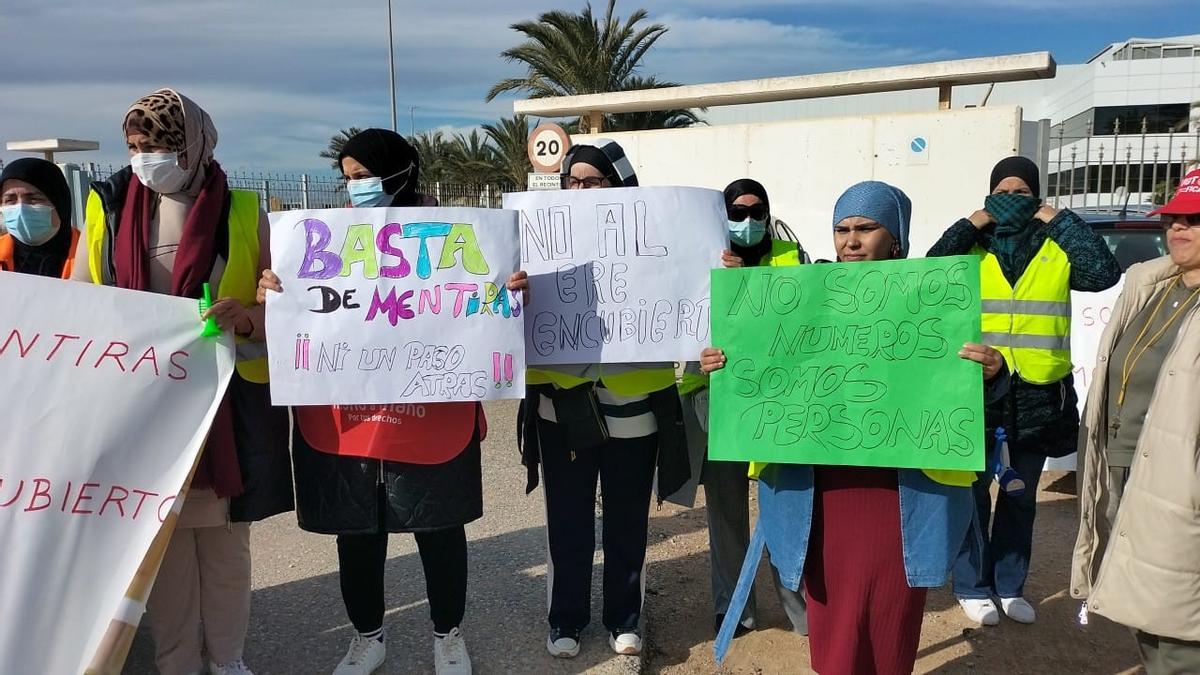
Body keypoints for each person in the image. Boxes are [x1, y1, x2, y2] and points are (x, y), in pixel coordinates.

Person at [707, 180, 1010, 674]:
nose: (850, 240)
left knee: (891, 622)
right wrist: (727, 363)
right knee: (833, 623)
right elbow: (766, 369)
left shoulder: (938, 301)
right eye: (841, 229)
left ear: (896, 238)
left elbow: (969, 404)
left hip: (904, 494)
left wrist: (993, 374)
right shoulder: (803, 298)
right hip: (820, 492)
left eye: (866, 228)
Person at [257, 128, 528, 675]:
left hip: (432, 417)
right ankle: (367, 636)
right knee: (357, 533)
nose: (355, 187)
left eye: (365, 176)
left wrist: (508, 290)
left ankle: (448, 634)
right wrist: (274, 293)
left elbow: (476, 304)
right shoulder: (323, 243)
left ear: (402, 172)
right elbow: (304, 314)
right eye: (348, 179)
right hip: (346, 419)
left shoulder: (458, 240)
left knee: (439, 528)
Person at [69, 88, 293, 675]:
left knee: (224, 547)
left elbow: (284, 310)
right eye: (136, 147)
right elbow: (80, 303)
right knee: (159, 550)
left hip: (225, 408)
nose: (145, 159)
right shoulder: (109, 207)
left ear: (193, 145)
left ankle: (228, 659)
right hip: (143, 404)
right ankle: (176, 663)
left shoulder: (244, 210)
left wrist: (246, 314)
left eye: (160, 146)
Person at [929, 156, 1121, 626]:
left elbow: (1104, 273)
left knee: (1019, 496)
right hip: (975, 394)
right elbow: (930, 274)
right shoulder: (973, 249)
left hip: (1037, 398)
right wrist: (974, 221)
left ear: (1036, 197)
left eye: (1022, 193)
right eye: (1001, 191)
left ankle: (1009, 585)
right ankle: (973, 585)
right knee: (971, 494)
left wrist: (1058, 218)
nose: (1011, 199)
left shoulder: (1056, 246)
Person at [517, 139, 690, 659]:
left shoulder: (657, 241)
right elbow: (499, 305)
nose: (581, 190)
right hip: (562, 406)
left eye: (593, 181)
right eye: (573, 181)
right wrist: (512, 290)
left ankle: (624, 618)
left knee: (627, 519)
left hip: (635, 406)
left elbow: (691, 293)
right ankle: (564, 619)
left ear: (618, 187)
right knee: (566, 520)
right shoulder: (539, 242)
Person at [1071, 167, 1200, 674]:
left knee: (1178, 615)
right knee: (1145, 601)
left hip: (1176, 480)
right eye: (1173, 219)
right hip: (1125, 466)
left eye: (1194, 220)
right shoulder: (1150, 283)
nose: (1178, 230)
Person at [672, 179, 809, 637]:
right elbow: (683, 331)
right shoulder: (701, 261)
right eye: (737, 212)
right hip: (718, 404)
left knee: (786, 511)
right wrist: (701, 357)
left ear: (768, 213)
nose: (747, 222)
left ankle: (802, 612)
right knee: (727, 513)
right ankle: (735, 610)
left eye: (756, 211)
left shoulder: (793, 258)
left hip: (781, 404)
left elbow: (814, 322)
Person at [1, 157, 78, 277]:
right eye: (10, 200)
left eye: (34, 199)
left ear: (60, 203)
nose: (21, 208)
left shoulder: (94, 256)